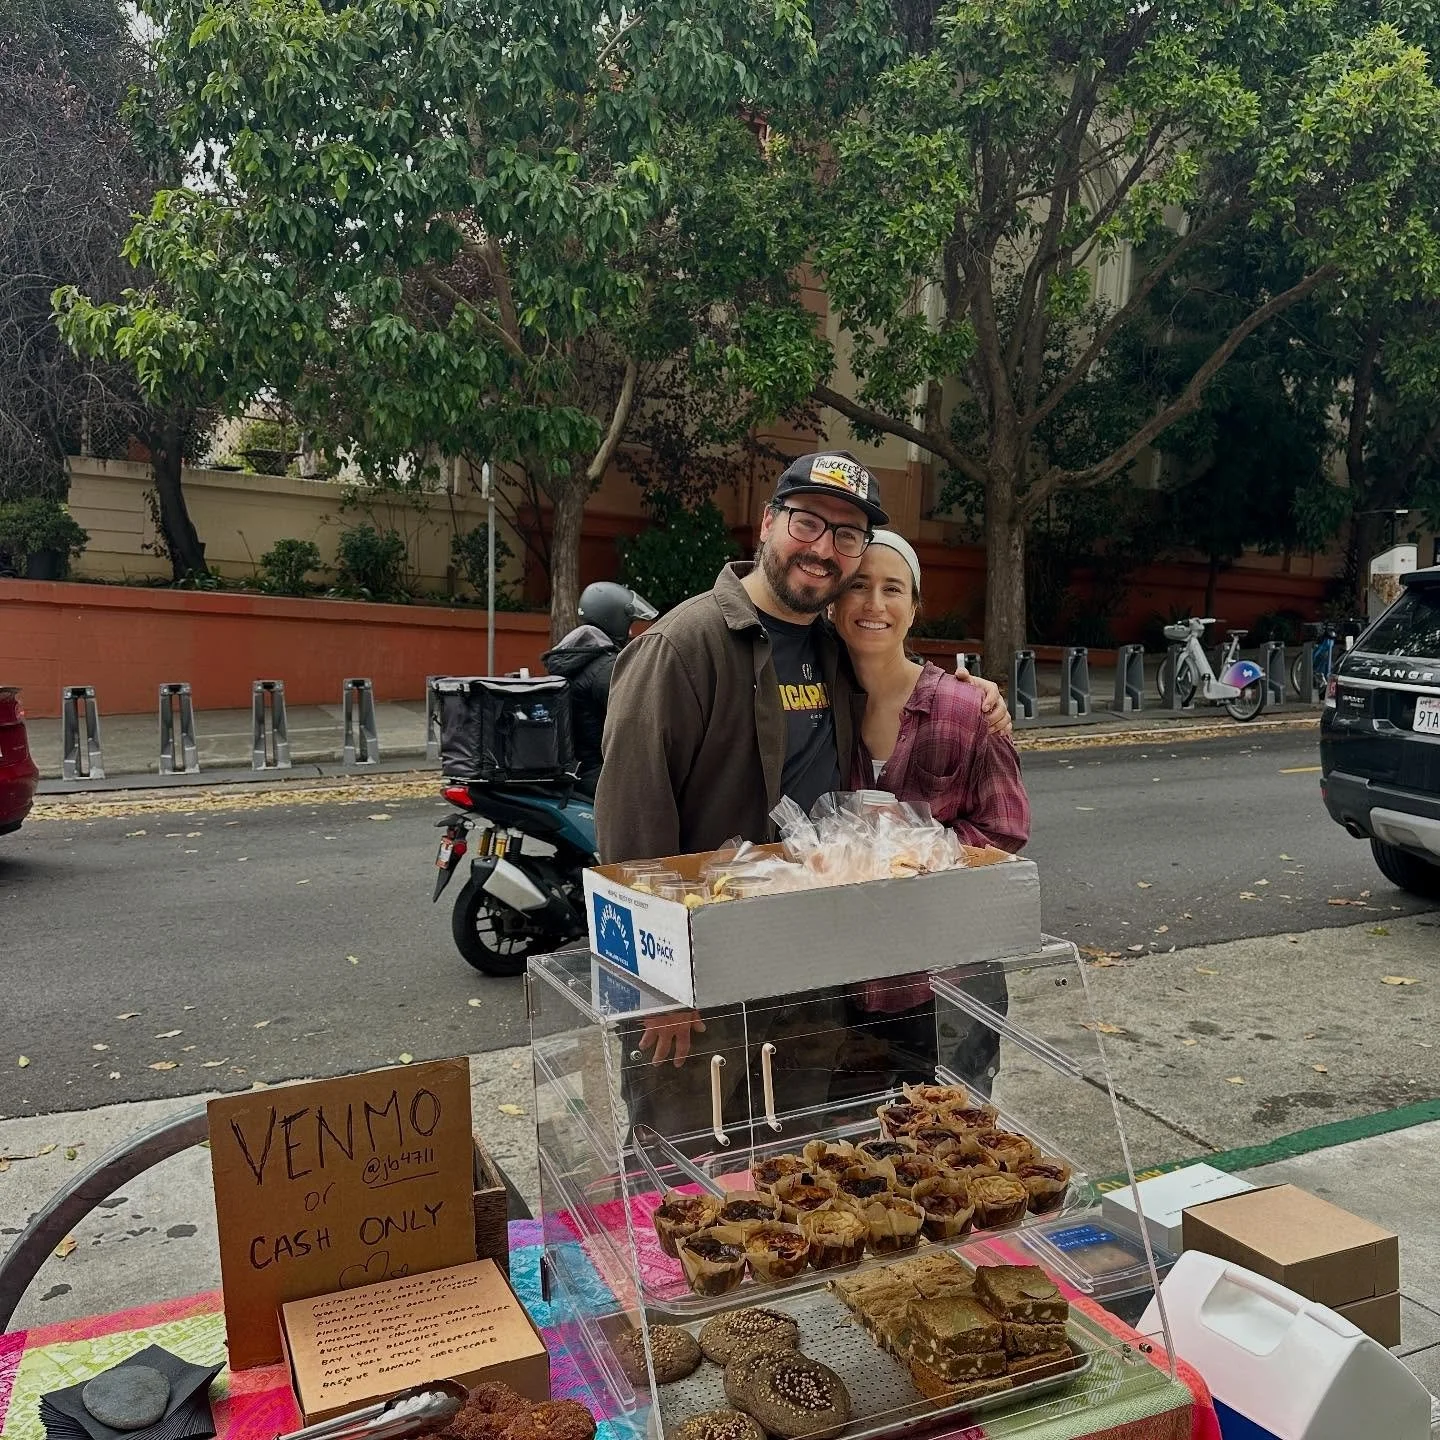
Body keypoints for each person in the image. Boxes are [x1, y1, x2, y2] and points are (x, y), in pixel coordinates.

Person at [595, 451, 1011, 1140]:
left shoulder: (830, 649)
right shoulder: (682, 647)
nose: (824, 549)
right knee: (683, 1173)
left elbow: (898, 669)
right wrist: (654, 983)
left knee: (797, 1175)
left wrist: (976, 695)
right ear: (767, 523)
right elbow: (628, 831)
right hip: (701, 988)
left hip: (811, 976)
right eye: (808, 523)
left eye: (847, 535)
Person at [828, 530, 1030, 1097]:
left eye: (893, 589)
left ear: (914, 608)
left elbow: (1006, 829)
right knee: (853, 1158)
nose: (874, 604)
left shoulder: (964, 708)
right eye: (858, 586)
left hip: (947, 980)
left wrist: (912, 845)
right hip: (843, 981)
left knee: (951, 1154)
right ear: (834, 602)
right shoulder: (813, 709)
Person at [541, 582, 656, 795]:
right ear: (614, 619)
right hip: (599, 774)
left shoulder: (574, 655)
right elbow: (639, 718)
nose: (630, 632)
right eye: (629, 623)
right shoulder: (606, 668)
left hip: (577, 769)